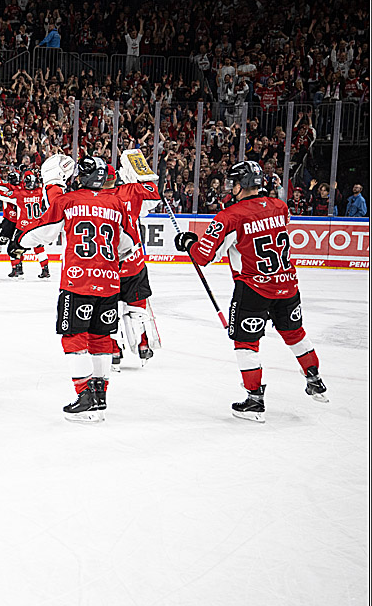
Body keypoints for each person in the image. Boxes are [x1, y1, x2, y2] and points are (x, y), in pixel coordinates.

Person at [174, 161, 328, 422]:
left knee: (246, 343)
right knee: (295, 333)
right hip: (288, 284)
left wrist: (188, 242)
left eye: (232, 183)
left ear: (240, 185)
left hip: (254, 289)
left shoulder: (230, 216)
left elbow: (203, 256)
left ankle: (255, 400)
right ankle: (314, 379)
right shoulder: (280, 207)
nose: (229, 188)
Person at [19, 157, 137, 423]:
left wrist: (20, 241)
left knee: (74, 337)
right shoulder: (117, 203)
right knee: (101, 339)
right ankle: (100, 397)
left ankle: (85, 397)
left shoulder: (68, 200)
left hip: (77, 281)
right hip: (108, 283)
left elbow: (45, 231)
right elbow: (127, 244)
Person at [105, 150, 162, 369]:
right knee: (137, 306)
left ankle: (113, 349)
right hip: (134, 261)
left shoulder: (97, 199)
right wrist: (142, 173)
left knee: (108, 307)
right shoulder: (131, 191)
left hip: (108, 265)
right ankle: (143, 345)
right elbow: (153, 195)